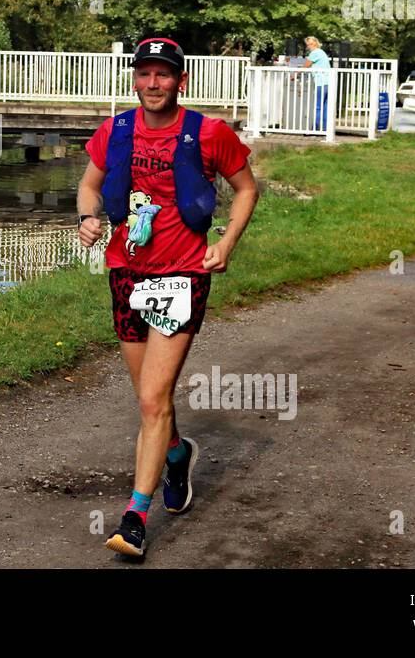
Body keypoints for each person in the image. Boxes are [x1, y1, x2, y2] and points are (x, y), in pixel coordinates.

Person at [77, 34, 259, 559]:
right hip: (125, 273)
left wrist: (225, 243)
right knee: (149, 400)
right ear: (135, 78)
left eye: (164, 74)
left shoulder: (209, 133)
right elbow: (89, 186)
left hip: (182, 275)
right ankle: (177, 455)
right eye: (145, 73)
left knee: (154, 400)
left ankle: (134, 517)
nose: (153, 83)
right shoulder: (116, 130)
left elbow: (246, 187)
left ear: (181, 80)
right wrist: (88, 218)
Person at [301, 36, 331, 130]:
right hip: (328, 82)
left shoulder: (315, 53)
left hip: (321, 82)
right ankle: (325, 129)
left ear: (313, 44)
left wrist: (294, 75)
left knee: (318, 106)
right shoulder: (321, 52)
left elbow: (306, 66)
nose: (308, 46)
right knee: (325, 107)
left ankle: (314, 128)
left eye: (309, 44)